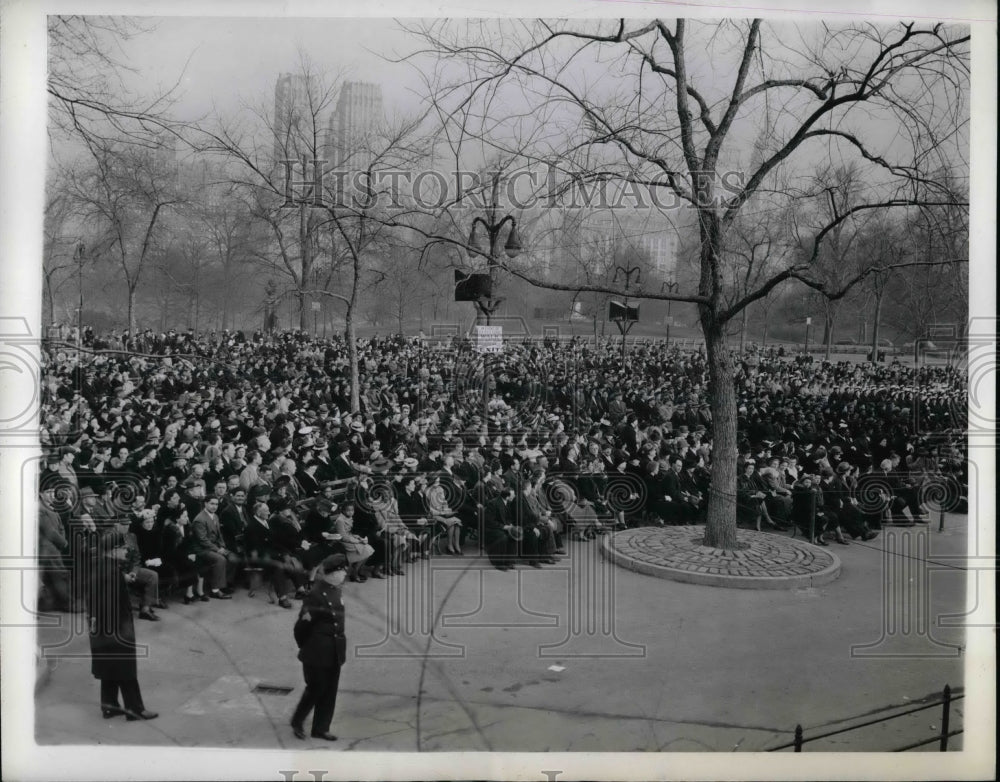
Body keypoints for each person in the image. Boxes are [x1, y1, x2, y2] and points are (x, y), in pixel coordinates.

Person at [86, 531, 158, 721]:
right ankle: (135, 709)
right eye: (123, 547)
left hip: (101, 627)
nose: (126, 550)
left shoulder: (101, 565)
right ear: (114, 549)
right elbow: (110, 604)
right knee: (125, 666)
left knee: (110, 666)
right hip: (115, 626)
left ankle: (109, 706)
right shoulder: (111, 572)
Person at [290, 553, 348, 742]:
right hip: (317, 651)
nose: (344, 573)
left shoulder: (336, 589)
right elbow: (301, 627)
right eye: (341, 570)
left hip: (335, 648)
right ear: (331, 573)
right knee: (316, 688)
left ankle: (321, 728)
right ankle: (297, 721)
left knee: (330, 691)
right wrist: (308, 647)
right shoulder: (315, 594)